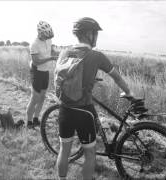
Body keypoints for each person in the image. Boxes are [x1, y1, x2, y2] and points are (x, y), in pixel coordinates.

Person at [55, 17, 133, 180]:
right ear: (89, 34)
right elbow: (117, 78)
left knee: (64, 150)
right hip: (85, 112)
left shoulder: (64, 52)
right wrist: (128, 92)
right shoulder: (97, 56)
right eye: (96, 33)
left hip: (65, 109)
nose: (96, 36)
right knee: (90, 154)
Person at [26, 21, 58, 129]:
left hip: (45, 72)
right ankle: (29, 122)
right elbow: (36, 61)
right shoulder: (34, 44)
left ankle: (36, 119)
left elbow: (52, 51)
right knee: (35, 98)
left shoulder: (49, 40)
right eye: (45, 34)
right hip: (36, 71)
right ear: (40, 33)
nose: (47, 36)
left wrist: (58, 54)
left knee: (43, 97)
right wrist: (50, 58)